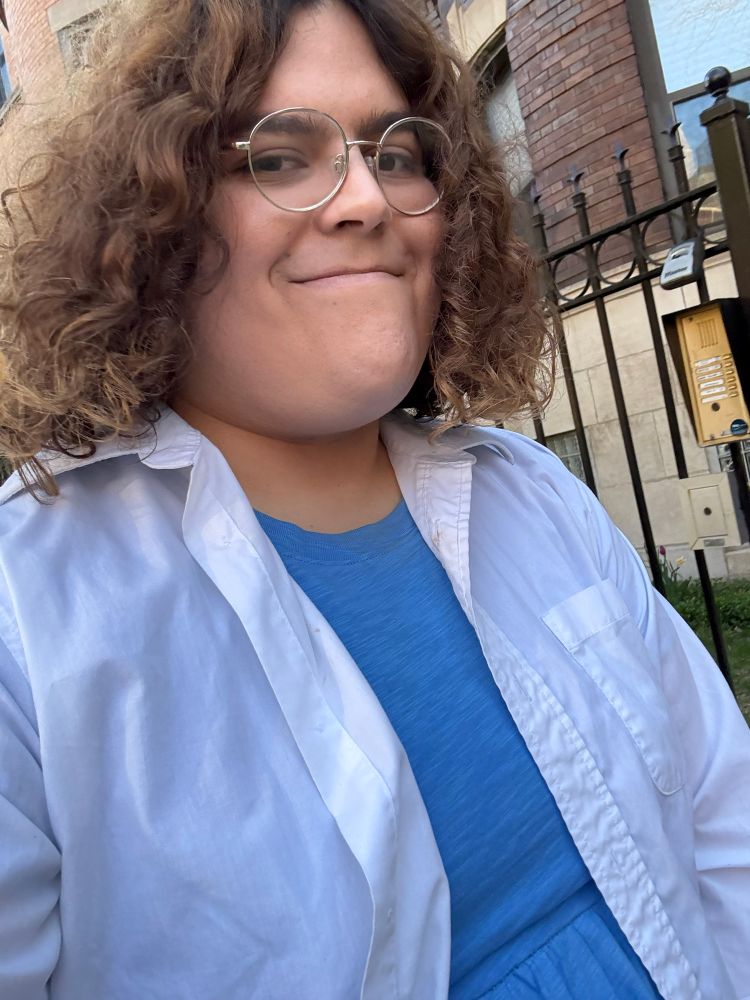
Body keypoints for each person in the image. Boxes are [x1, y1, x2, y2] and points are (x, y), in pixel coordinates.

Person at [0, 0, 748, 997]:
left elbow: (724, 818)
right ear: (154, 222)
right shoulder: (26, 618)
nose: (368, 199)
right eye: (279, 157)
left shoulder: (528, 491)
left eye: (398, 154)